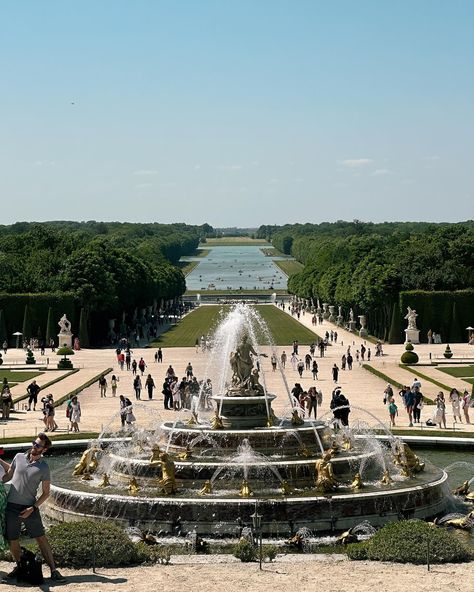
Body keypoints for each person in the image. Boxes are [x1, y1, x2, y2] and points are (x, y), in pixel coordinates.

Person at [0, 433, 66, 582]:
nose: (34, 446)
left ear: (44, 449)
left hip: (30, 507)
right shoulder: (18, 457)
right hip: (11, 506)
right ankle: (20, 567)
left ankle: (54, 570)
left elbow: (46, 492)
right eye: (33, 443)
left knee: (41, 538)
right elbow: (8, 476)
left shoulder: (44, 467)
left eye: (37, 445)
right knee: (13, 539)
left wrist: (33, 508)